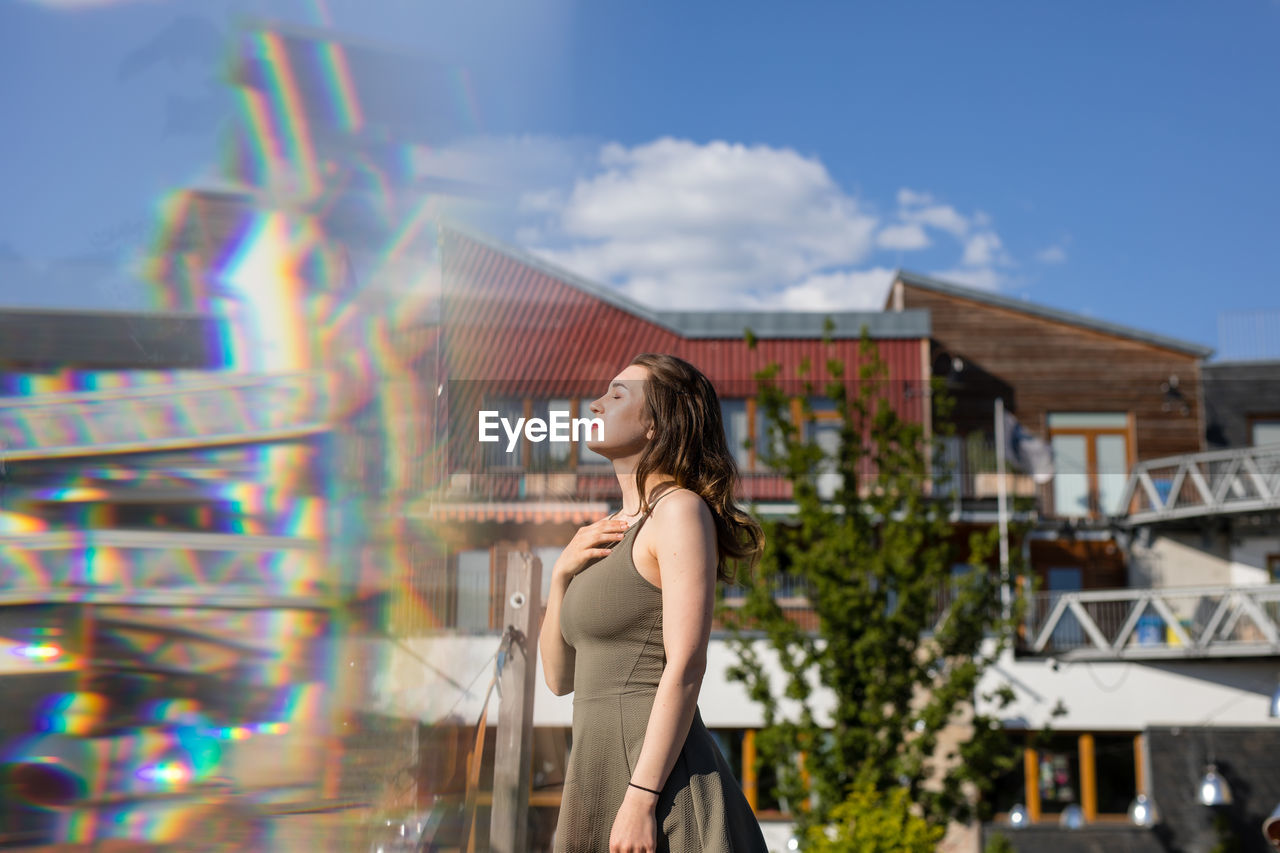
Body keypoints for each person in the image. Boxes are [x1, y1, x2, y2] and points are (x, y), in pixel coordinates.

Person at [540, 353, 768, 853]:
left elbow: (686, 664)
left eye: (617, 395)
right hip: (596, 774)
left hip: (659, 787)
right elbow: (559, 680)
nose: (595, 404)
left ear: (656, 425)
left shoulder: (679, 511)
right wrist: (558, 576)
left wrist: (641, 798)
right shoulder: (606, 534)